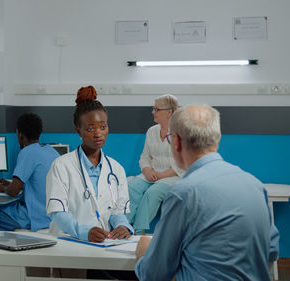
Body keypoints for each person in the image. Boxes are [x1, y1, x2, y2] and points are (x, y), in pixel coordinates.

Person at [135, 105, 280, 281]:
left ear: (177, 142)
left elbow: (154, 274)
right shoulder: (255, 185)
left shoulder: (183, 194)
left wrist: (143, 254)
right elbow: (271, 251)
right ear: (217, 139)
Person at [46, 85, 133, 243]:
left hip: (102, 244)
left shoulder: (116, 169)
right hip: (66, 243)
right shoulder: (61, 166)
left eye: (103, 127)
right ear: (79, 130)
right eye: (90, 128)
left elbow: (117, 212)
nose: (98, 133)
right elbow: (57, 213)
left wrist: (123, 226)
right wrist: (83, 232)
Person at [0, 113, 60, 232]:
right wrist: (9, 184)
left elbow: (13, 191)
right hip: (52, 216)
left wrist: (2, 188)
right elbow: (38, 183)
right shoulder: (51, 151)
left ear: (20, 135)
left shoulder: (27, 152)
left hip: (35, 218)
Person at [127, 94, 184, 233]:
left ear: (169, 112)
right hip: (151, 173)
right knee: (131, 187)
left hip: (174, 176)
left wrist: (161, 175)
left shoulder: (182, 132)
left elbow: (183, 163)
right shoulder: (152, 131)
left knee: (152, 193)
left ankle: (138, 231)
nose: (153, 112)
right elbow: (145, 157)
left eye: (156, 109)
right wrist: (146, 170)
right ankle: (124, 226)